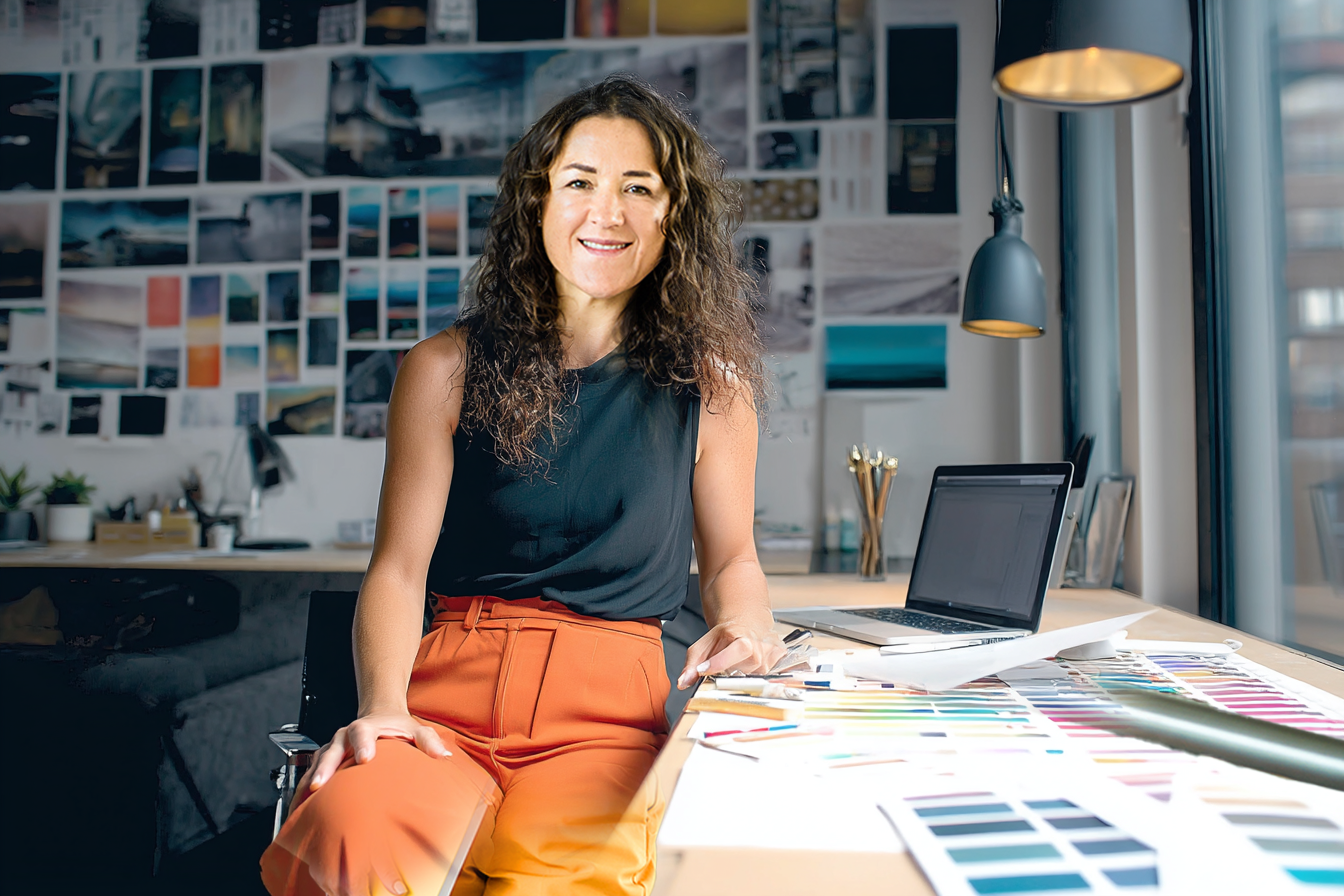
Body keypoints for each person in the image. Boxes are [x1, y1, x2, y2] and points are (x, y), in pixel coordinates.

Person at [260, 74, 785, 896]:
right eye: (579, 182)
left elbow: (731, 563)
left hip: (608, 719)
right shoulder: (442, 368)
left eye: (637, 188)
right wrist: (384, 707)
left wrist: (749, 626)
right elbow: (398, 568)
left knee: (567, 881)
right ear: (537, 202)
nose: (606, 212)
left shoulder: (714, 387)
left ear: (672, 215)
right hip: (443, 704)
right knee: (350, 838)